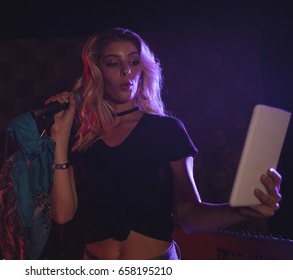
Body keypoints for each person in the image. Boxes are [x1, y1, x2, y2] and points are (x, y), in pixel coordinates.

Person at [44, 27, 282, 260]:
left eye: (134, 62)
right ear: (97, 71)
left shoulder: (167, 130)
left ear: (143, 69)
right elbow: (63, 214)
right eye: (113, 63)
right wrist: (60, 137)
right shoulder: (83, 137)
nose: (126, 70)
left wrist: (240, 210)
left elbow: (189, 215)